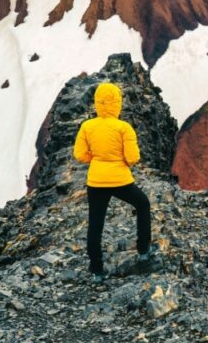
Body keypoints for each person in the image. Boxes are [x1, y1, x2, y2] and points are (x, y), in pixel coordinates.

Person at [73, 81, 153, 282]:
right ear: (117, 102)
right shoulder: (123, 128)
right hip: (121, 180)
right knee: (143, 204)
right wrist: (119, 161)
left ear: (97, 102)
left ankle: (97, 270)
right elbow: (133, 157)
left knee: (95, 223)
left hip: (96, 181)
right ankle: (143, 250)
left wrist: (96, 159)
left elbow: (79, 154)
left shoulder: (87, 126)